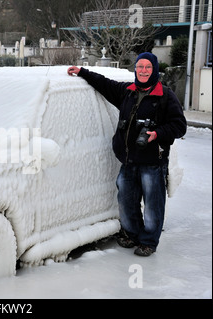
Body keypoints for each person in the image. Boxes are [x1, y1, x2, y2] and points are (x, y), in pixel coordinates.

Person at [67, 52, 187, 257]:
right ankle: (132, 234)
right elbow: (104, 84)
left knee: (152, 204)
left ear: (154, 70)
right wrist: (82, 71)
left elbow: (179, 126)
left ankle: (148, 241)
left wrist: (157, 133)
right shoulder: (127, 91)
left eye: (147, 67)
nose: (143, 71)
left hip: (152, 162)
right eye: (140, 67)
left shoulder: (165, 95)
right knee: (126, 200)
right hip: (129, 160)